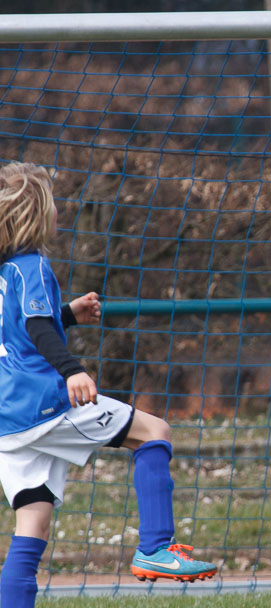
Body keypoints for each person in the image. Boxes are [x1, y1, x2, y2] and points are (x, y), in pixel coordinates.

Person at [0, 163, 217, 608]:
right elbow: (37, 330)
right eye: (53, 203)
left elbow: (19, 330)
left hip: (7, 419)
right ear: (37, 214)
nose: (59, 210)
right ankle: (156, 547)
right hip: (41, 404)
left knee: (32, 524)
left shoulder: (3, 274)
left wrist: (67, 314)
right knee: (154, 432)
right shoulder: (31, 266)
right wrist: (72, 370)